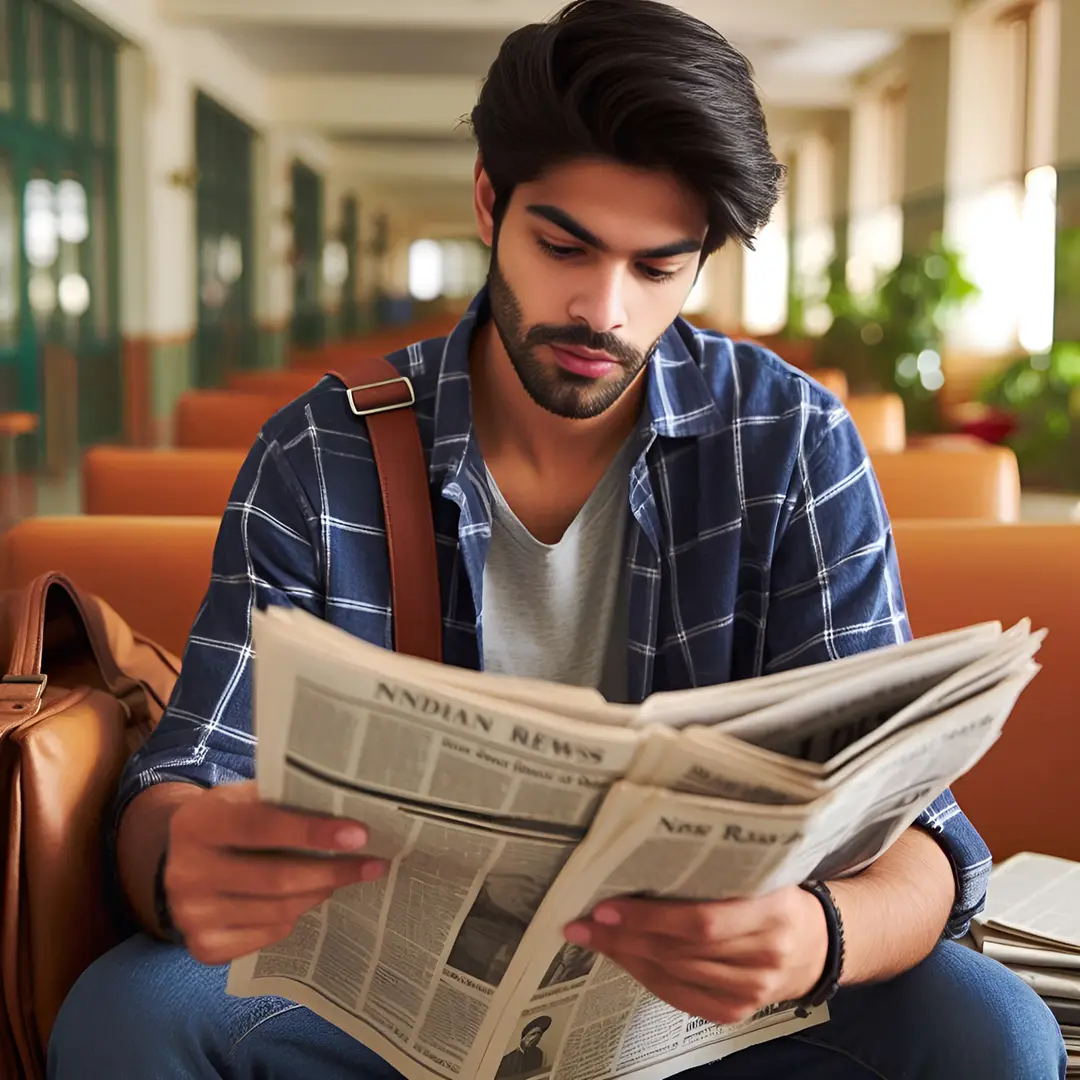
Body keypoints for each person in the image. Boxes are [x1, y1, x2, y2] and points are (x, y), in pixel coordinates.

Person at [49, 1, 1065, 1078]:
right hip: (376, 1004)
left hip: (703, 1011)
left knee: (989, 1033)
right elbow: (192, 765)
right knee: (130, 1018)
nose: (603, 310)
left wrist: (818, 938)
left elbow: (918, 833)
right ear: (490, 200)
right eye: (564, 245)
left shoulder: (794, 441)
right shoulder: (323, 451)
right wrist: (178, 859)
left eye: (658, 267)